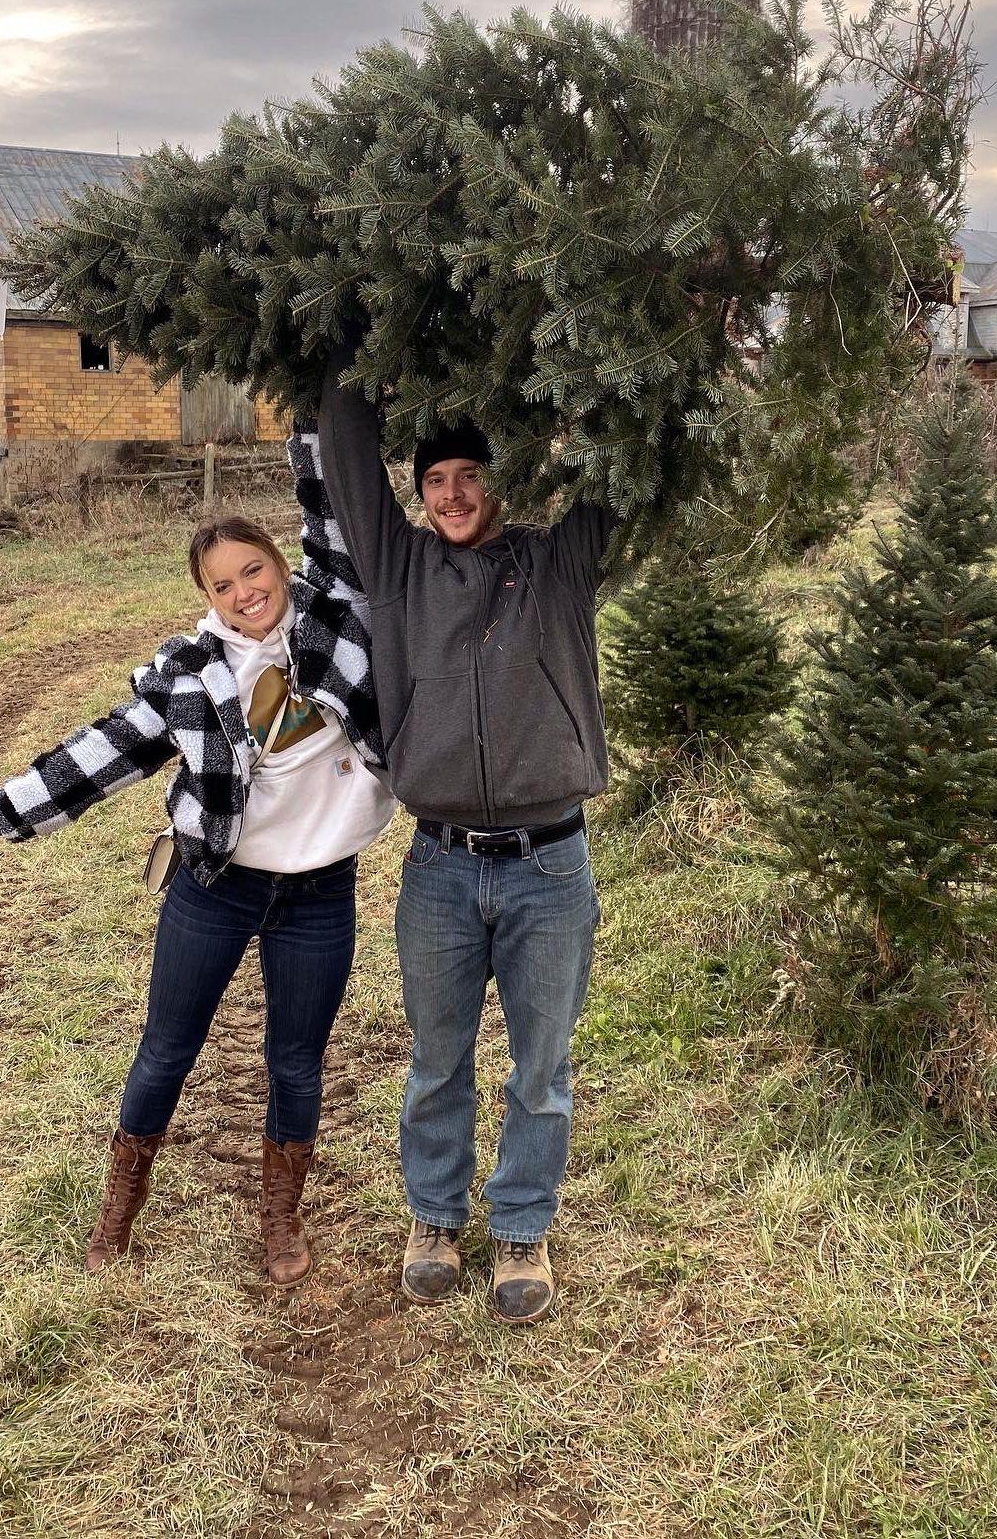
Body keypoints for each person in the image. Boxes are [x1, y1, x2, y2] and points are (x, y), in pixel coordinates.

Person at [0, 432, 393, 1286]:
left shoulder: (336, 617)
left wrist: (317, 415)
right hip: (216, 886)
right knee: (167, 1049)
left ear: (281, 565)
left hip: (322, 892)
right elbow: (102, 752)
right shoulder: (189, 673)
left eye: (255, 570)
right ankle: (118, 1212)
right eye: (223, 584)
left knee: (295, 1060)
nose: (246, 592)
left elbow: (334, 516)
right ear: (206, 597)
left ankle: (281, 1220)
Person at [317, 350, 615, 1324]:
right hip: (440, 864)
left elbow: (620, 463)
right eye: (434, 480)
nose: (451, 494)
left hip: (550, 865)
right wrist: (355, 336)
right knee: (437, 1058)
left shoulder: (559, 563)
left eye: (469, 475)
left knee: (542, 1066)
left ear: (502, 478)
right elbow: (349, 460)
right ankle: (434, 1219)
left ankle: (522, 1230)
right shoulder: (399, 565)